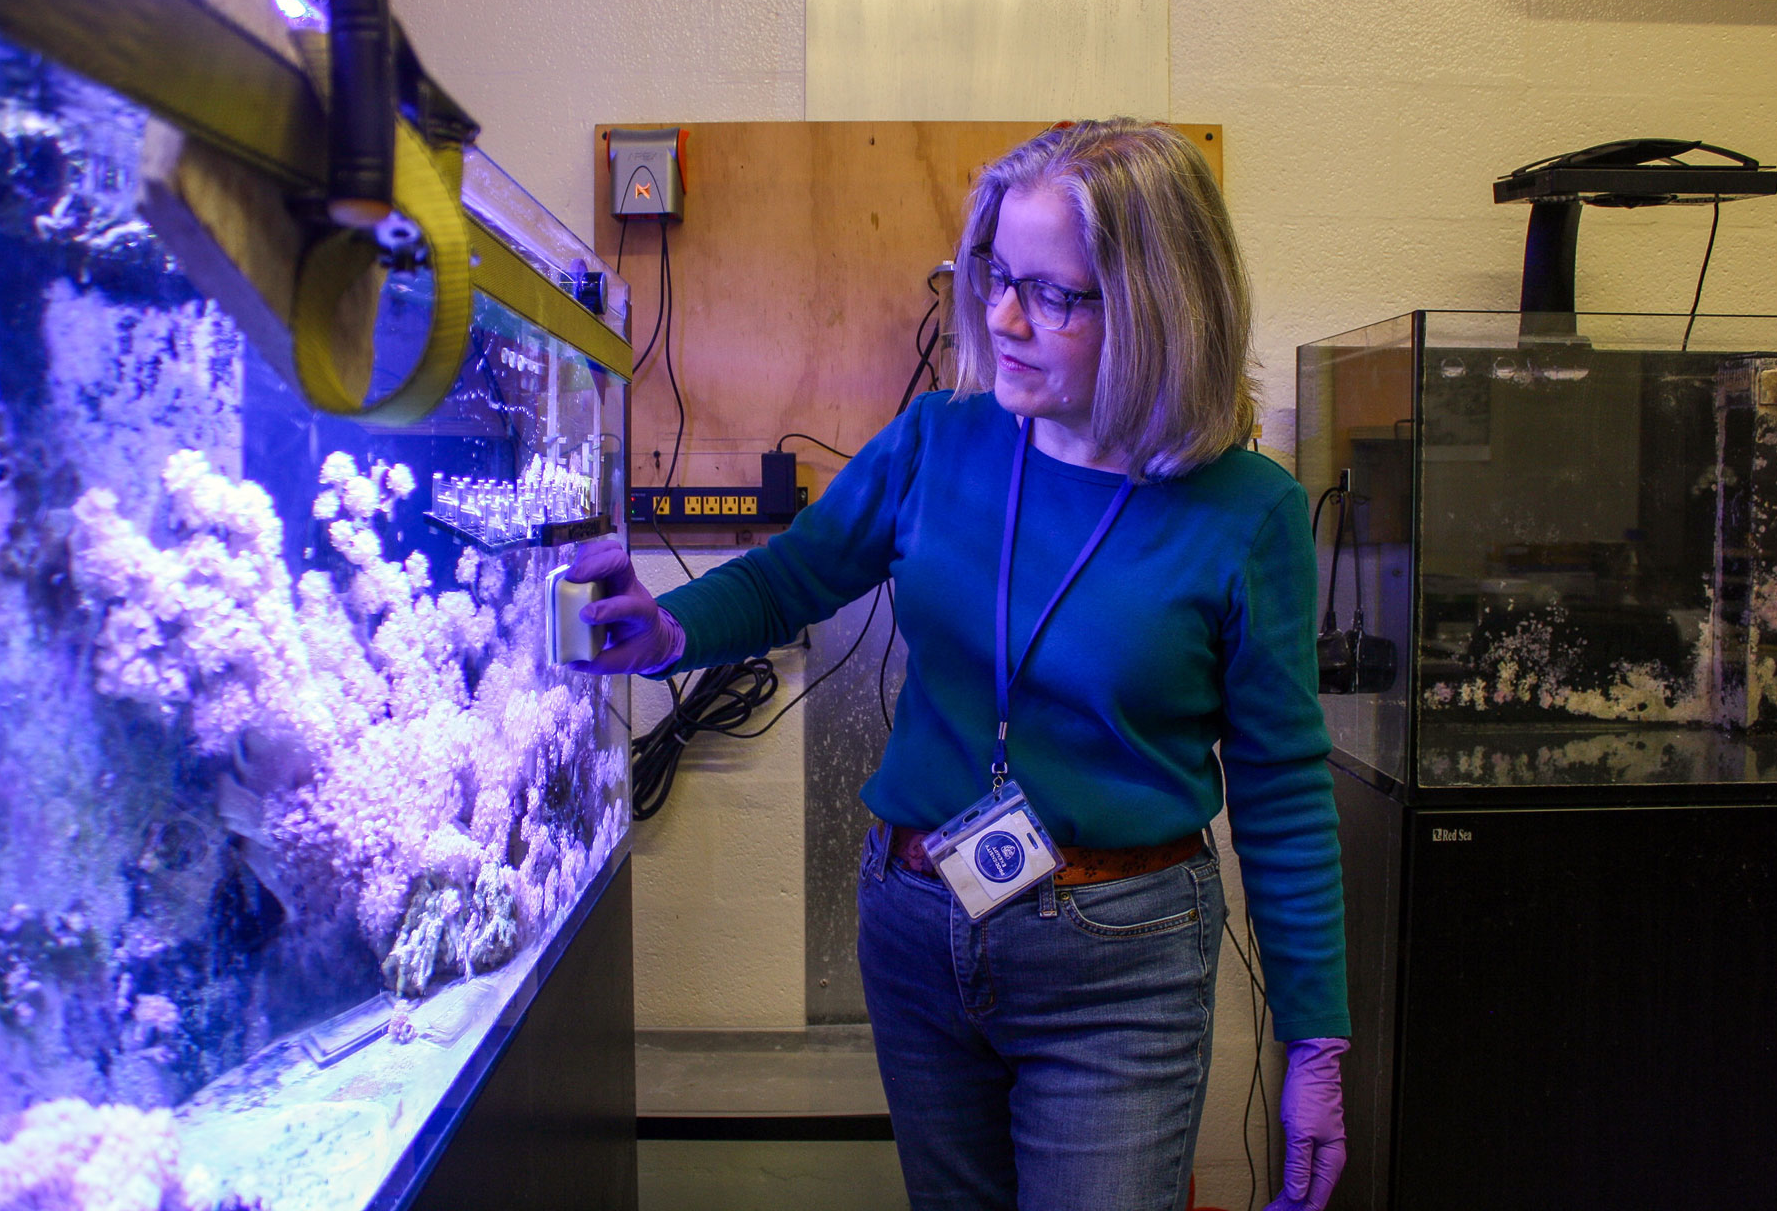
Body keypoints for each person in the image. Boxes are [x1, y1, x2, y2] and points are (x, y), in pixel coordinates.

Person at [568, 118, 1349, 1211]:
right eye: (993, 276)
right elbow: (792, 578)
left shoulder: (1247, 511)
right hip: (915, 921)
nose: (1004, 317)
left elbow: (1281, 786)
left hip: (1119, 958)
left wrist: (1316, 1045)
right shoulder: (940, 438)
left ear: (1165, 301)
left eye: (1056, 293)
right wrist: (670, 628)